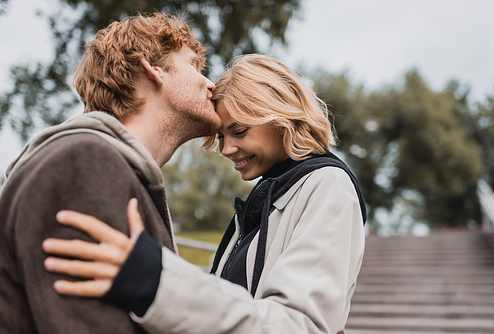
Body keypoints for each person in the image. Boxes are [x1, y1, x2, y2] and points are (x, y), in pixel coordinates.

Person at [42, 54, 367, 333]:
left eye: (239, 131)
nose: (226, 149)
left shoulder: (328, 186)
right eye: (221, 135)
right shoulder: (265, 198)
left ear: (281, 117)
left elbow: (301, 326)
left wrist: (154, 281)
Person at [0, 13, 220, 333]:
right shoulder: (82, 163)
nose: (210, 83)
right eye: (194, 66)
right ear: (153, 68)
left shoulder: (106, 165)